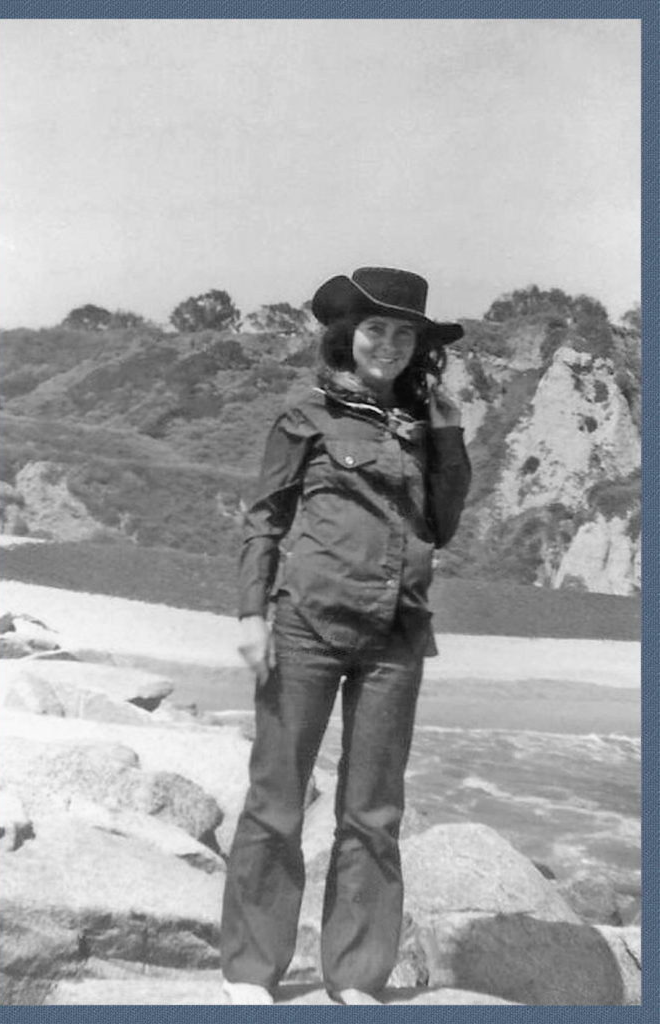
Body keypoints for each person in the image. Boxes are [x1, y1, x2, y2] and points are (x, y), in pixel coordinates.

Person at [220, 267, 472, 1004]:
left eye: (404, 334)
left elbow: (444, 525)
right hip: (306, 626)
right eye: (374, 330)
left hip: (396, 635)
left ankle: (355, 977)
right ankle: (249, 970)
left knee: (373, 814)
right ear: (345, 337)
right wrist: (250, 614)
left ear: (418, 347)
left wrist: (450, 433)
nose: (388, 345)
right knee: (275, 802)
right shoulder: (304, 410)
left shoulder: (425, 425)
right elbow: (265, 515)